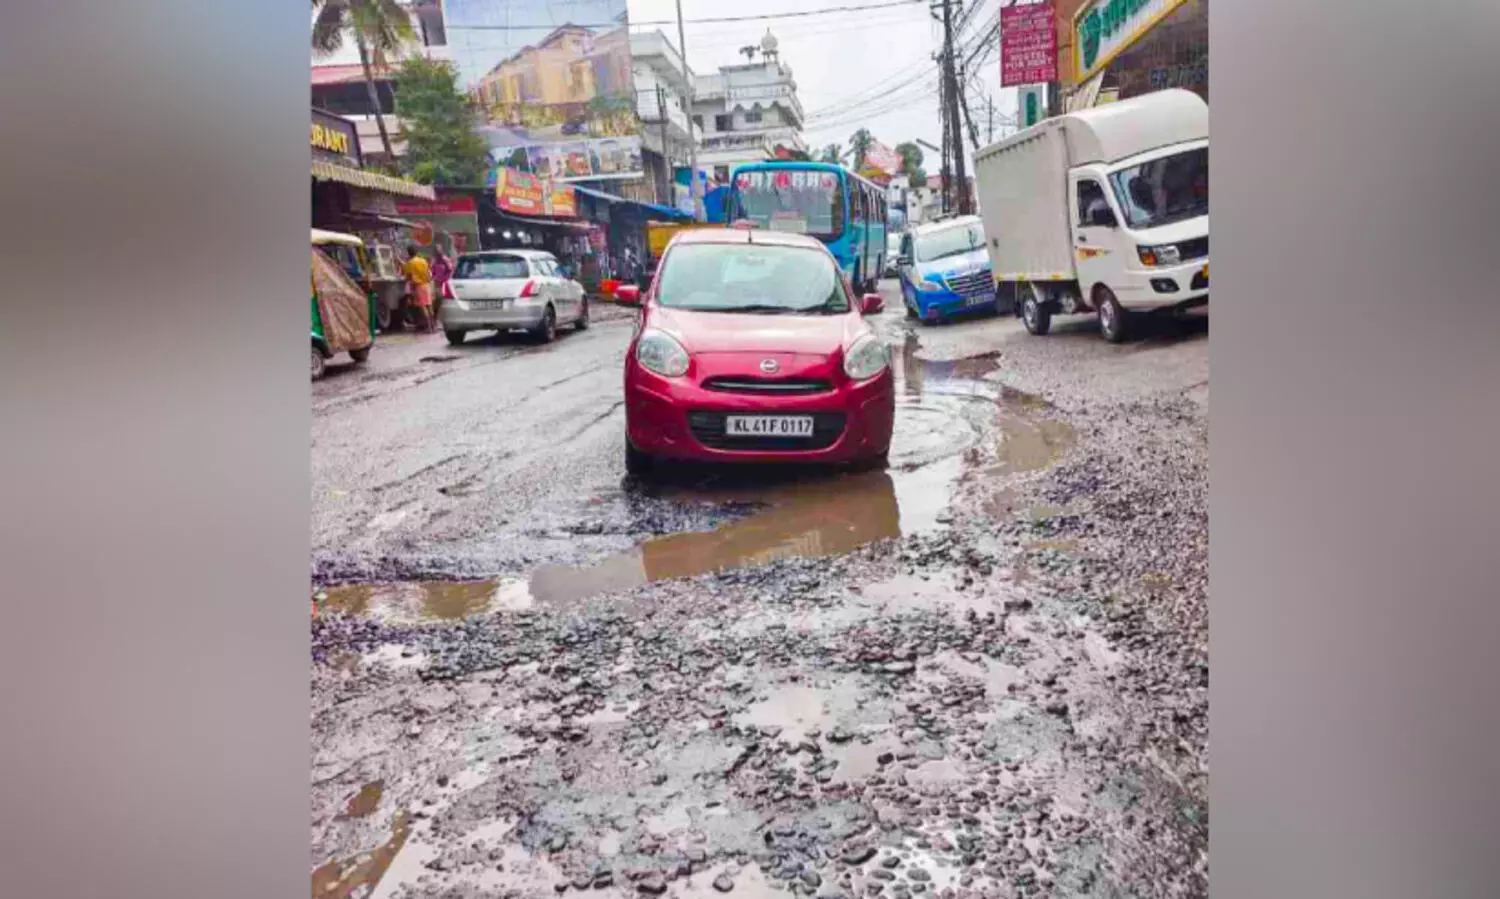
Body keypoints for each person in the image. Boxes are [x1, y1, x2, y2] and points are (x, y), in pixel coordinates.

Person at [401, 245, 434, 333]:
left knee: (423, 306)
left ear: (409, 253)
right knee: (429, 305)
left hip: (418, 286)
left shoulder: (410, 263)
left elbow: (407, 275)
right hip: (427, 285)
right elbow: (428, 272)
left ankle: (429, 327)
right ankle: (433, 326)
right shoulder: (423, 261)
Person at [430, 247, 454, 323]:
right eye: (436, 251)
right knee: (436, 301)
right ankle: (435, 319)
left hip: (444, 284)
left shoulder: (445, 260)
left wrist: (444, 279)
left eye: (439, 251)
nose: (438, 253)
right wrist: (434, 278)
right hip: (436, 284)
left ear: (442, 251)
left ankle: (442, 319)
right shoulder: (435, 261)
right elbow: (432, 271)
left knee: (442, 300)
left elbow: (450, 270)